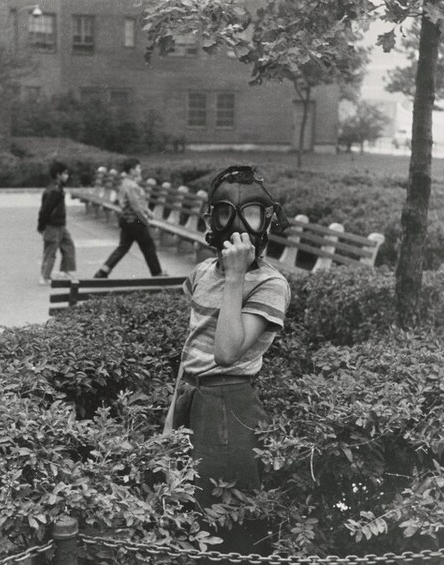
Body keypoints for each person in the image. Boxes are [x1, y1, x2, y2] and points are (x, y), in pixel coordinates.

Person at [168, 165, 291, 555]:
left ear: (267, 221)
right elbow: (193, 348)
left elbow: (225, 354)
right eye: (226, 213)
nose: (237, 225)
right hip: (193, 400)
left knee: (226, 524)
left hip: (229, 410)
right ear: (212, 217)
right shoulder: (203, 271)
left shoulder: (270, 284)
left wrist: (237, 276)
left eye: (250, 214)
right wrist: (171, 419)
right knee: (186, 514)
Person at [93, 158, 165, 278]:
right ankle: (157, 274)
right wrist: (145, 220)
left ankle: (103, 271)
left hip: (126, 220)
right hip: (135, 221)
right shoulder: (131, 185)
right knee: (148, 246)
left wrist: (147, 211)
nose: (140, 170)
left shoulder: (126, 183)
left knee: (123, 247)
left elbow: (137, 203)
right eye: (138, 168)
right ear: (132, 170)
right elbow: (136, 207)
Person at [37, 161, 76, 285]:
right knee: (50, 251)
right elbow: (45, 211)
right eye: (65, 173)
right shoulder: (53, 191)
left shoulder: (58, 189)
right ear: (58, 175)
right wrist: (41, 226)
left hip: (60, 225)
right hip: (52, 225)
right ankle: (45, 276)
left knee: (68, 245)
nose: (67, 176)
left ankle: (65, 270)